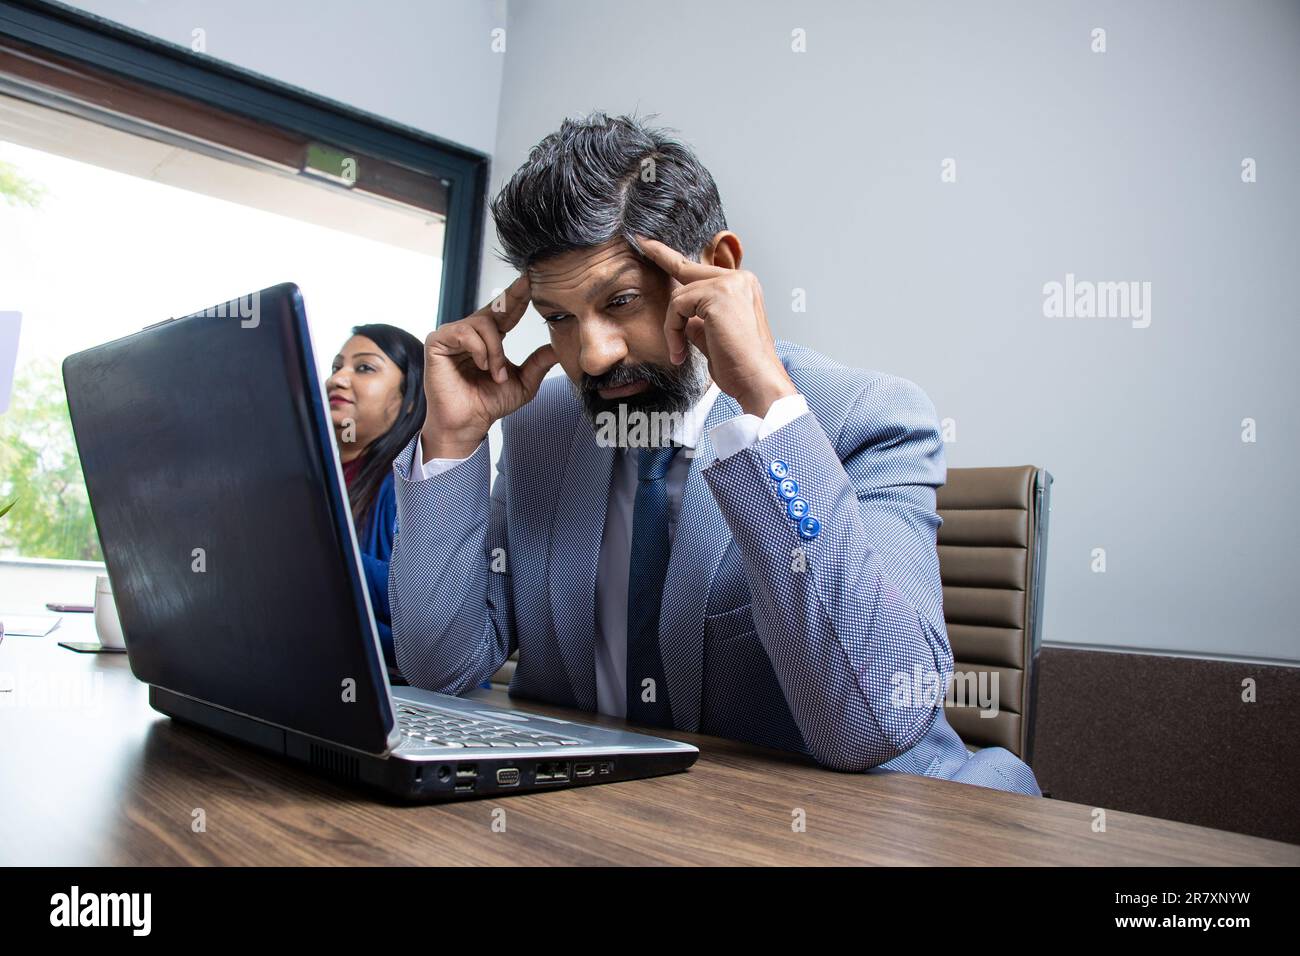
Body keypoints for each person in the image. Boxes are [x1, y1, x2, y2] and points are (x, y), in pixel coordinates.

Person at [388, 112, 1041, 795]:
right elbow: (445, 674)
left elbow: (871, 725)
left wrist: (764, 403)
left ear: (719, 269)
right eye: (559, 318)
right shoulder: (544, 427)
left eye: (622, 301)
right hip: (625, 819)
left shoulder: (868, 417)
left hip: (888, 819)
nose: (593, 354)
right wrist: (453, 442)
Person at [325, 324, 424, 674]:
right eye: (337, 367)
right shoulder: (315, 478)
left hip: (406, 695)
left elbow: (423, 605)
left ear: (410, 397)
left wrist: (317, 552)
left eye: (364, 367)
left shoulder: (412, 483)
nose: (338, 379)